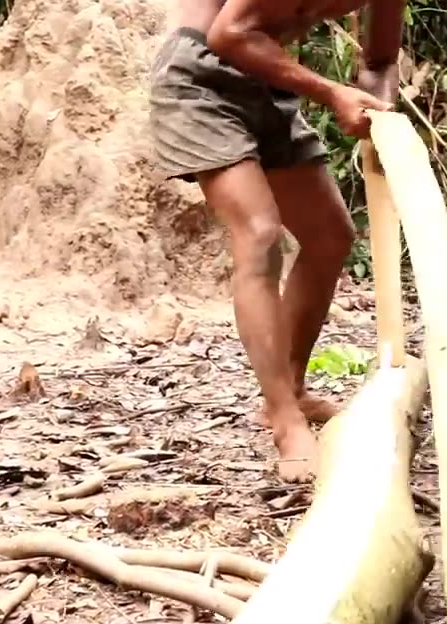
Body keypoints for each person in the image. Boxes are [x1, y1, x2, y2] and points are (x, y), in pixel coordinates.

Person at [148, 0, 405, 480]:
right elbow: (230, 33)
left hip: (266, 80)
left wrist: (381, 113)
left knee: (330, 237)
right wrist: (331, 93)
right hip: (198, 76)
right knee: (260, 232)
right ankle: (285, 421)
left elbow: (379, 62)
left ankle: (291, 388)